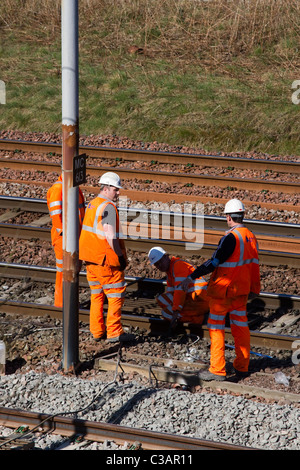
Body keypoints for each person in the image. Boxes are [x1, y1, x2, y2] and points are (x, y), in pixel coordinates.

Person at [181, 199, 260, 381]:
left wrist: (192, 276)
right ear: (242, 215)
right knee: (241, 328)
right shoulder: (250, 236)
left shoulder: (230, 238)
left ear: (228, 217)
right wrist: (255, 289)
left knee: (216, 329)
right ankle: (242, 366)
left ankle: (217, 369)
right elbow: (254, 265)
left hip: (223, 291)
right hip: (241, 292)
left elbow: (213, 263)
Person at [79, 171, 134, 343]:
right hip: (105, 261)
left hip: (90, 259)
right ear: (107, 187)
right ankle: (114, 332)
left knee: (96, 295)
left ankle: (96, 331)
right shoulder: (108, 207)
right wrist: (120, 256)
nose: (118, 193)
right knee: (115, 294)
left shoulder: (93, 204)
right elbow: (110, 235)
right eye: (116, 189)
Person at [47, 174, 85, 308]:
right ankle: (61, 304)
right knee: (64, 269)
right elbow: (56, 215)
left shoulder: (72, 186)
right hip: (64, 238)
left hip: (74, 235)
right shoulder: (59, 188)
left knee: (72, 268)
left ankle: (69, 301)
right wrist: (65, 234)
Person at [148, 247, 209, 328]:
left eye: (161, 261)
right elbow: (171, 294)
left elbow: (180, 291)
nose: (160, 266)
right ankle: (190, 315)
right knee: (161, 299)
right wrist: (174, 309)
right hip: (191, 298)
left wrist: (175, 312)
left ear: (166, 256)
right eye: (157, 264)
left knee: (166, 313)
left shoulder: (178, 265)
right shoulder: (169, 272)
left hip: (201, 300)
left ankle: (201, 319)